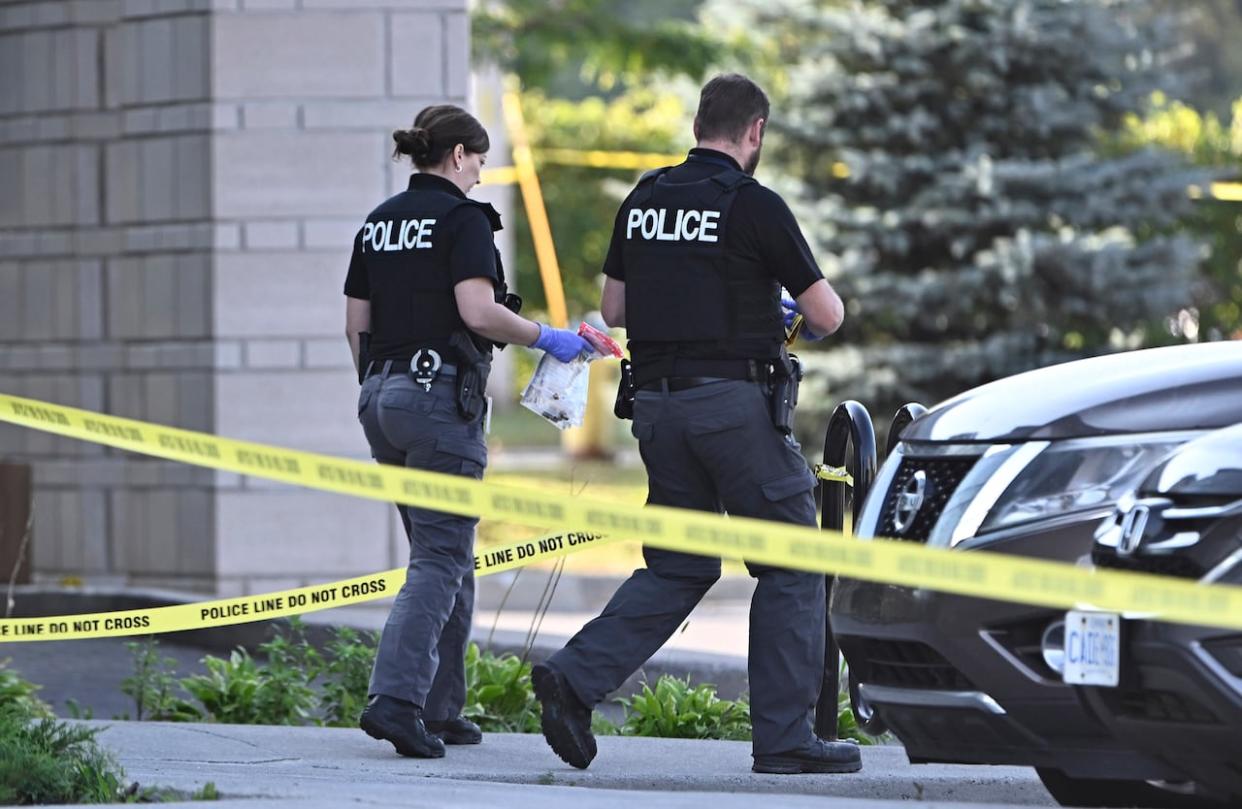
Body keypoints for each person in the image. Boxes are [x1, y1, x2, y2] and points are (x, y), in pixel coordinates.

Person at [532, 74, 860, 775]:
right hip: (733, 408)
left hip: (656, 410)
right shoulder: (752, 204)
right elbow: (827, 314)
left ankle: (576, 677)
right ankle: (784, 739)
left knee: (680, 563)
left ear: (698, 124)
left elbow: (613, 307)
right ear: (756, 131)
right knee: (795, 560)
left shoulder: (645, 197)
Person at [344, 104, 590, 759]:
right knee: (441, 556)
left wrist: (379, 387)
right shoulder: (464, 220)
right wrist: (550, 339)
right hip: (437, 400)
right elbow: (478, 312)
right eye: (479, 162)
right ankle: (396, 701)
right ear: (457, 156)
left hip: (380, 395)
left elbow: (354, 325)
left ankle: (438, 706)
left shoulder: (379, 222)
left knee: (446, 551)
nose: (481, 176)